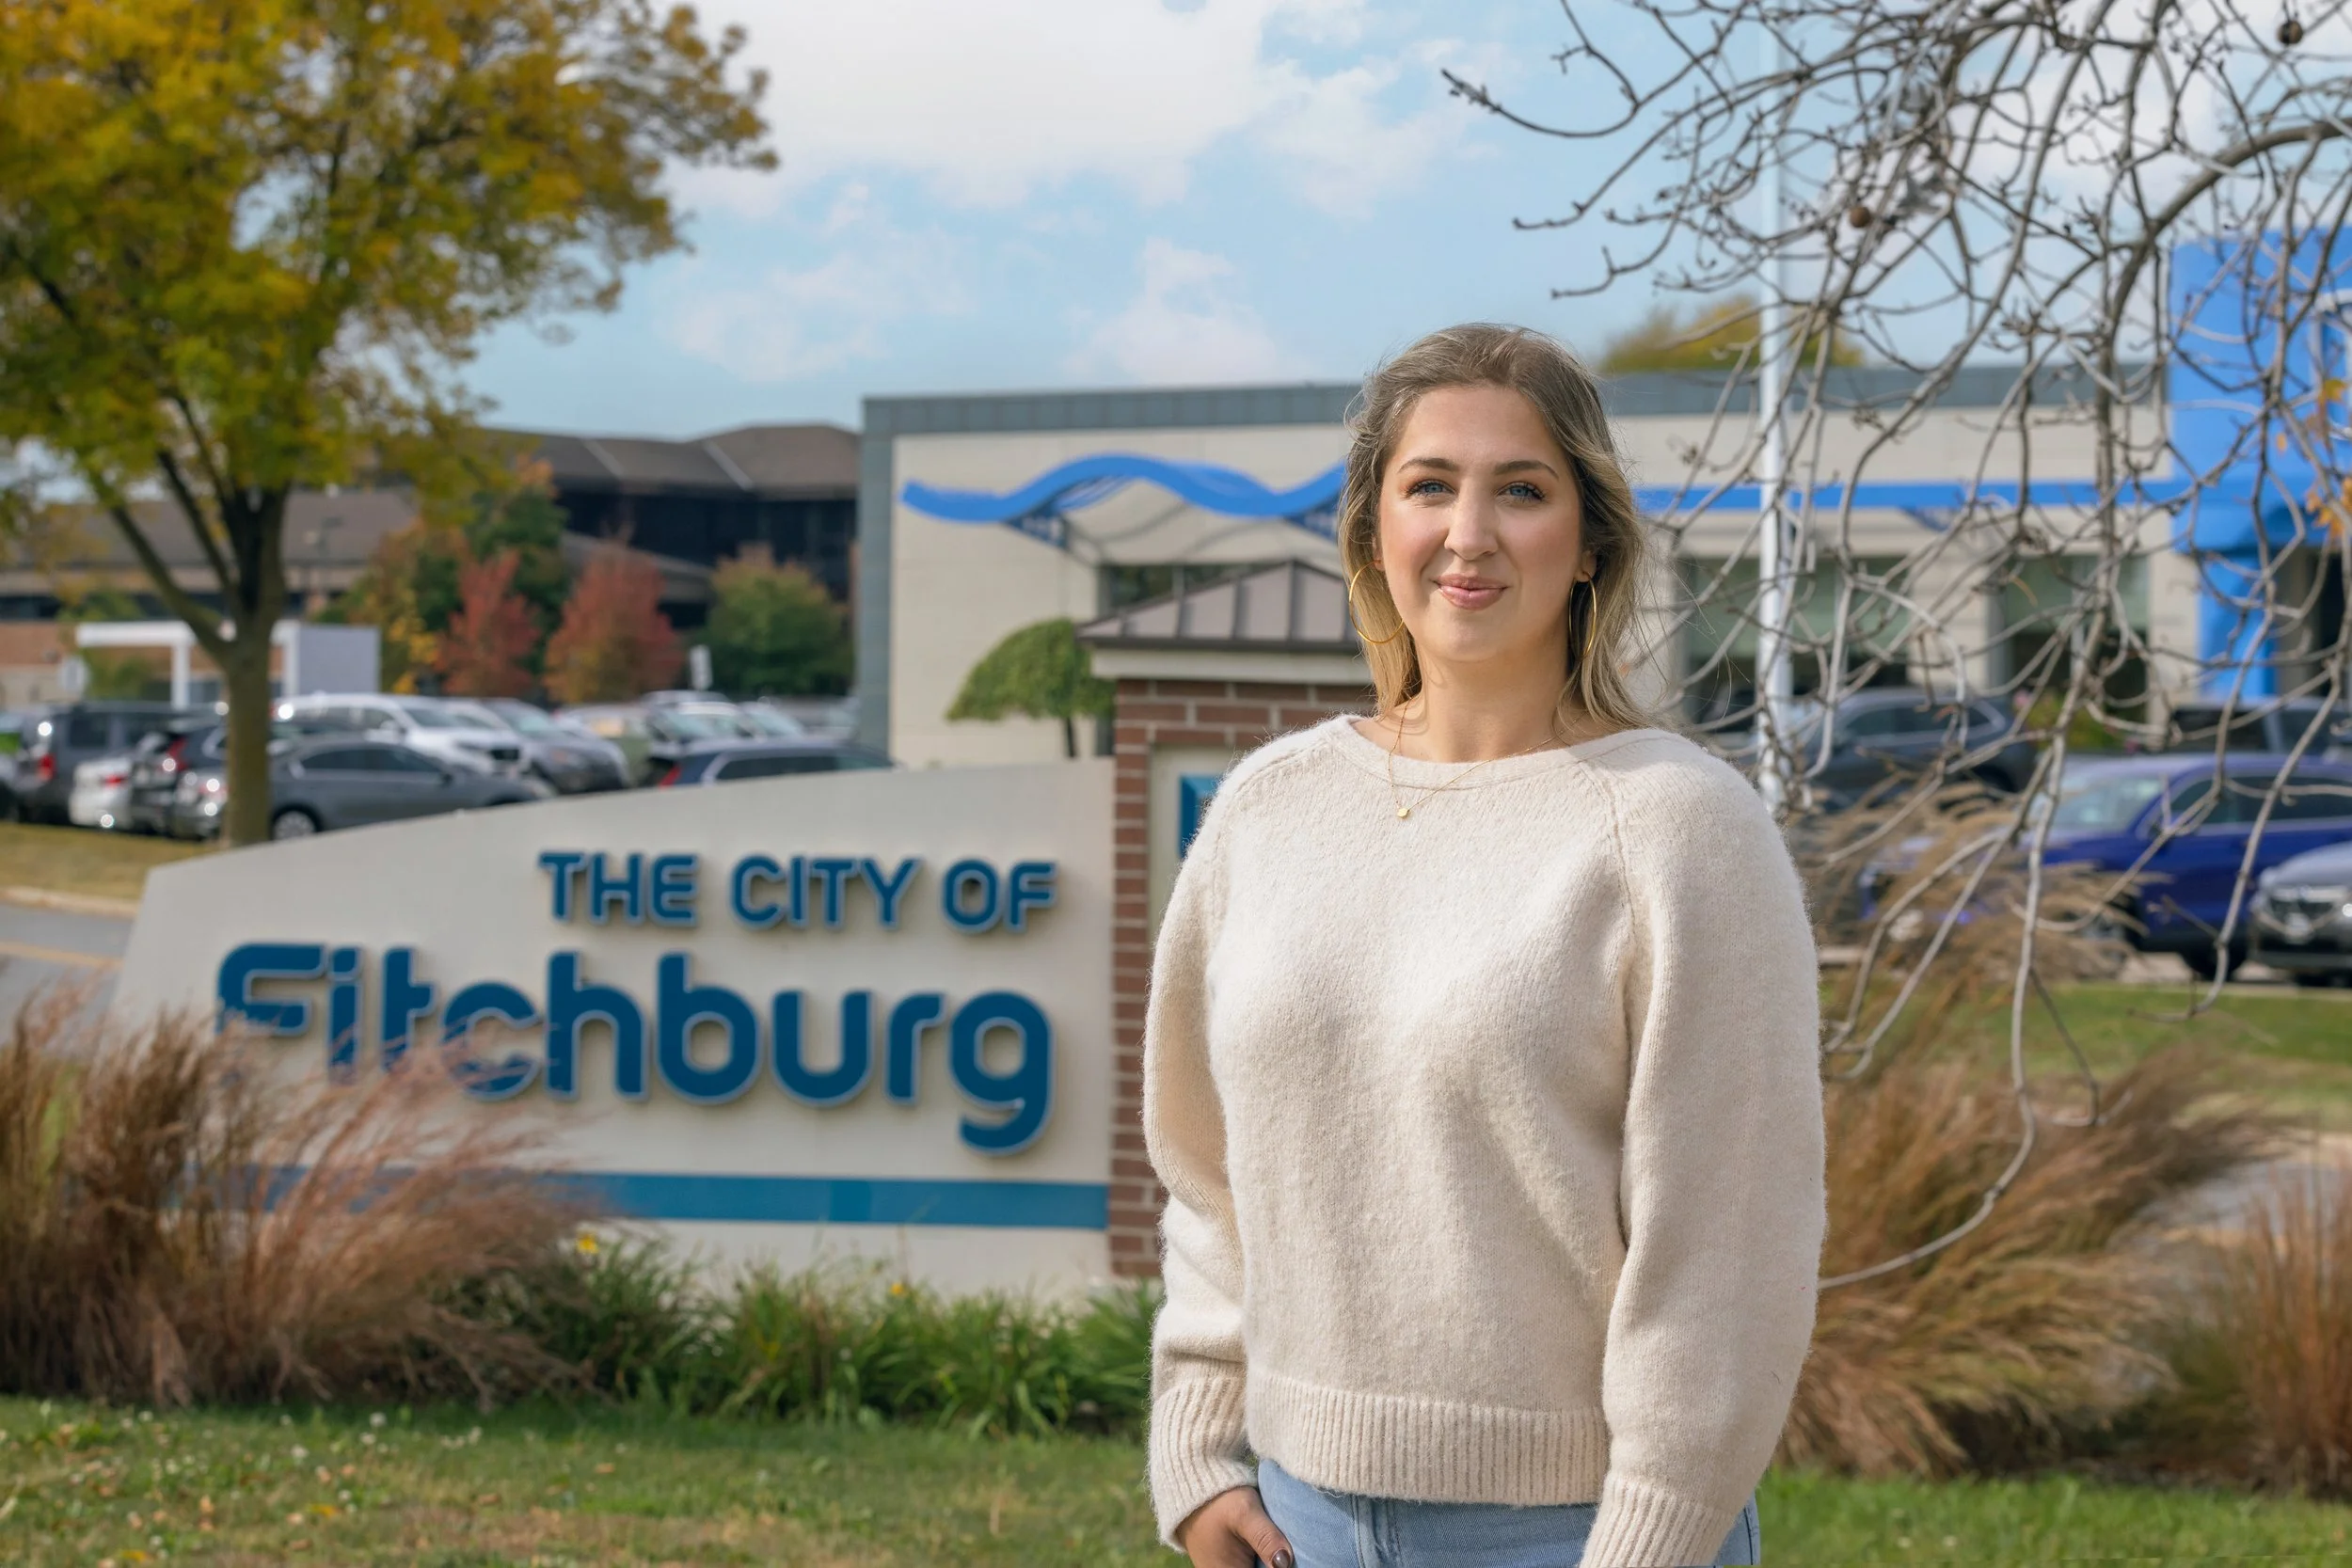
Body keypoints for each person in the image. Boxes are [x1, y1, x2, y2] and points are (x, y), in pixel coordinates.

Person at [1143, 324, 1826, 1568]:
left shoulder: (1677, 825)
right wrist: (1196, 1443)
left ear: (1589, 542)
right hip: (1295, 1520)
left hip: (1577, 1531)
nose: (1470, 533)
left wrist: (1649, 1541)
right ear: (1372, 530)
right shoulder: (1268, 806)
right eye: (1429, 486)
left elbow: (1726, 1240)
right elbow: (1207, 1166)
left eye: (1521, 488)